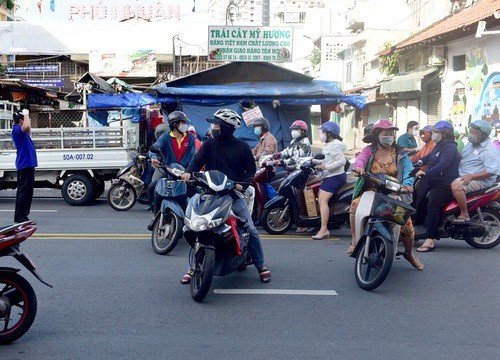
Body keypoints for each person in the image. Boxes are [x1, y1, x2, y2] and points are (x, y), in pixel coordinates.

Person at [179, 108, 271, 284]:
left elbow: (251, 171)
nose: (214, 128)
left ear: (227, 128)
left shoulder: (242, 147)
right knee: (194, 226)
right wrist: (188, 173)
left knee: (250, 229)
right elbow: (196, 162)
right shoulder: (208, 144)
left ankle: (260, 265)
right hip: (208, 193)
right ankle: (192, 267)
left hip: (233, 195)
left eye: (217, 125)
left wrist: (242, 184)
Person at [350, 119, 423, 270]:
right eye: (385, 134)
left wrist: (408, 185)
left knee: (407, 226)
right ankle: (354, 240)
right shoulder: (369, 150)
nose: (389, 136)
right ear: (377, 135)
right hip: (370, 192)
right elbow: (360, 161)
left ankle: (409, 253)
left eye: (391, 134)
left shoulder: (400, 153)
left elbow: (409, 172)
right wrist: (358, 168)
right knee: (354, 206)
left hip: (393, 193)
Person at [415, 121, 460, 252]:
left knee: (432, 206)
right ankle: (417, 227)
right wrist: (418, 162)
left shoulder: (450, 147)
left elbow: (443, 165)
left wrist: (425, 172)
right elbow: (429, 157)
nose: (433, 134)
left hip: (444, 183)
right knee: (419, 198)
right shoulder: (439, 145)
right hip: (433, 180)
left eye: (435, 132)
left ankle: (430, 240)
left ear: (444, 134)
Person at [147, 111, 196, 230]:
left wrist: (190, 170)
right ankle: (154, 214)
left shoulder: (191, 138)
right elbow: (155, 148)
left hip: (185, 172)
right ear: (175, 124)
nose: (185, 125)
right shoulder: (165, 137)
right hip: (166, 169)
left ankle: (192, 219)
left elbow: (195, 156)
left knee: (196, 192)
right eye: (183, 122)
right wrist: (153, 157)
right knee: (153, 186)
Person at [450, 120, 500, 222]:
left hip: (480, 180)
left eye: (473, 132)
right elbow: (463, 156)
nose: (470, 135)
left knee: (456, 186)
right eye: (470, 131)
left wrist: (472, 176)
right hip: (463, 174)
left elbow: (492, 171)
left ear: (483, 134)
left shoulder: (489, 150)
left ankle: (464, 214)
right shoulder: (471, 144)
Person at [311, 122, 347, 240]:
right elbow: (328, 160)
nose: (320, 135)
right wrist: (314, 162)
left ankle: (324, 229)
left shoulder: (334, 145)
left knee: (322, 201)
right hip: (330, 175)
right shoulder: (331, 144)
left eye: (322, 132)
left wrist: (325, 167)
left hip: (335, 176)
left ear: (329, 134)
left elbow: (341, 161)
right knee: (320, 199)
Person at [279, 120, 312, 233]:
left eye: (296, 129)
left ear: (302, 131)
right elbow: (286, 152)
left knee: (299, 196)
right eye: (292, 129)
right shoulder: (294, 141)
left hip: (302, 173)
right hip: (292, 171)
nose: (293, 132)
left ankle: (304, 222)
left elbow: (296, 158)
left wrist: (282, 162)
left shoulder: (304, 142)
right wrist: (276, 155)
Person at [11, 109, 38, 223]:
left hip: (28, 165)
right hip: (24, 165)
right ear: (20, 120)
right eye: (24, 119)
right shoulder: (16, 129)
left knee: (27, 192)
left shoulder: (22, 132)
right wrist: (26, 114)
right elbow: (26, 126)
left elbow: (28, 129)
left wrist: (27, 117)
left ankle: (23, 216)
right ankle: (20, 217)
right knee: (23, 192)